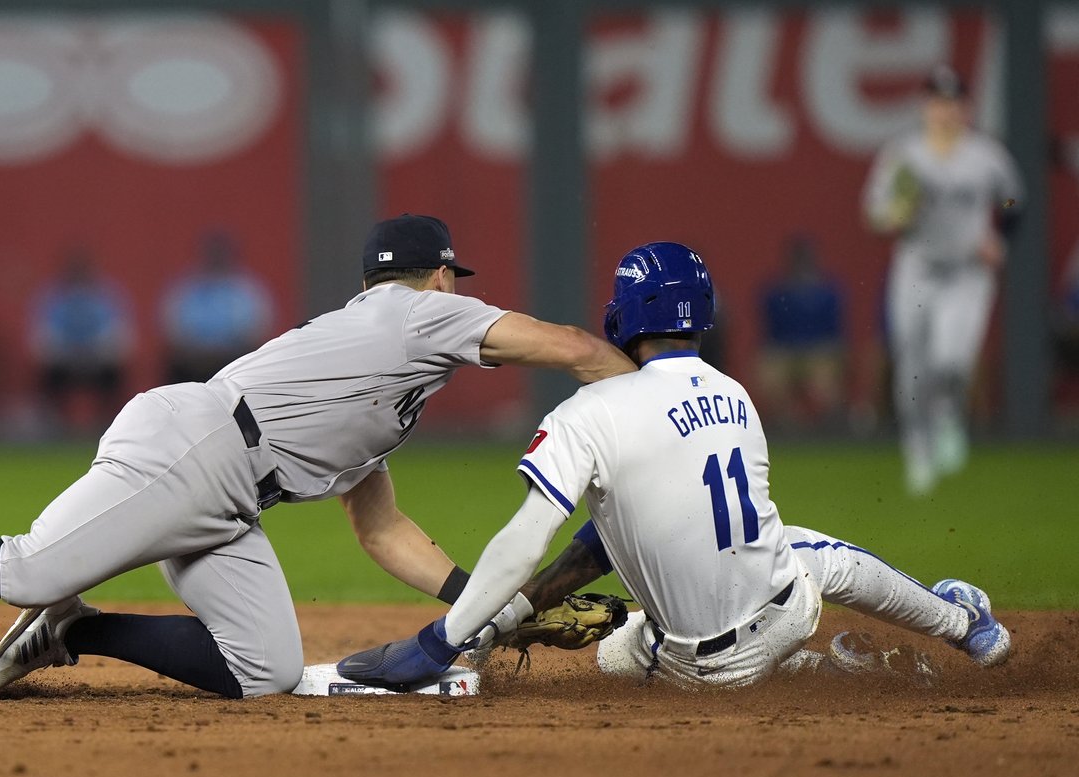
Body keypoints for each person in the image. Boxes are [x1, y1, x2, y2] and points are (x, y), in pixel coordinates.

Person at [0, 214, 635, 699]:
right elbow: (562, 342)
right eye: (450, 278)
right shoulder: (418, 314)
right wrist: (648, 388)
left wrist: (484, 604)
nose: (454, 294)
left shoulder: (379, 377)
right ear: (440, 275)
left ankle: (75, 632)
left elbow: (384, 528)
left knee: (262, 674)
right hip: (195, 447)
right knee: (28, 565)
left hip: (231, 494)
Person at [338, 242, 1010, 692]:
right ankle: (964, 623)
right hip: (780, 615)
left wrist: (476, 626)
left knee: (618, 642)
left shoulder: (588, 410)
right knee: (805, 549)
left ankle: (831, 662)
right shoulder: (736, 394)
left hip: (681, 668)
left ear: (622, 313)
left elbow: (535, 536)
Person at [862, 63, 1024, 496]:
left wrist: (999, 238)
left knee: (952, 361)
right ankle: (917, 449)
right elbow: (876, 211)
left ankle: (949, 413)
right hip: (917, 267)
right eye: (937, 102)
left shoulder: (985, 156)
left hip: (968, 272)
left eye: (952, 102)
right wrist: (894, 213)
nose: (945, 110)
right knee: (911, 365)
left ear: (966, 108)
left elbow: (1012, 198)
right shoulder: (905, 155)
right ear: (924, 107)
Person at [30, 251, 133, 429]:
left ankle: (110, 425)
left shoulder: (106, 297)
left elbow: (118, 333)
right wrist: (69, 353)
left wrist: (93, 353)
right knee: (48, 376)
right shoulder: (53, 298)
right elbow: (43, 335)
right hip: (64, 360)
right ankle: (53, 425)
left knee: (114, 375)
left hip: (98, 359)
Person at [161, 232, 274, 384]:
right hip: (194, 361)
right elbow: (173, 327)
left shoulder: (248, 289)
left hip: (233, 358)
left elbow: (258, 328)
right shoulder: (186, 288)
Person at [756, 236, 845, 428]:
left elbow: (836, 335)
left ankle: (831, 428)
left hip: (818, 351)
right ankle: (787, 428)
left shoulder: (827, 292)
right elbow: (769, 334)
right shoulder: (776, 292)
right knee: (772, 371)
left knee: (824, 376)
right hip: (785, 351)